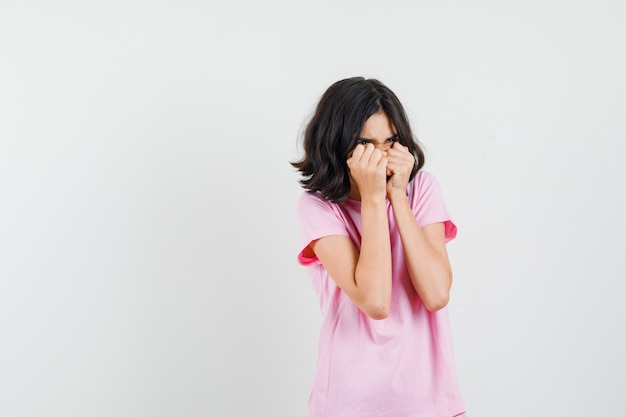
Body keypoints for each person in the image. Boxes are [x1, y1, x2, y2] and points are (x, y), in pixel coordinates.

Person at [291, 77, 466, 417]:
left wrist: (397, 196)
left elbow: (436, 294)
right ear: (337, 145)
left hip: (429, 399)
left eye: (390, 142)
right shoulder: (317, 208)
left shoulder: (422, 189)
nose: (381, 155)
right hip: (349, 400)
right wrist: (373, 198)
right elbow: (375, 301)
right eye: (366, 144)